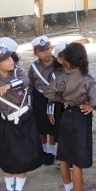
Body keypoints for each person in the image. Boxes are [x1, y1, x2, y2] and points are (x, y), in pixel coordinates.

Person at [0, 43, 42, 191]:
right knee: (7, 158)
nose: (10, 60)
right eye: (5, 59)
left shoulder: (18, 71)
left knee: (21, 158)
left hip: (23, 121)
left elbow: (25, 80)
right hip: (6, 124)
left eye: (9, 57)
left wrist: (9, 85)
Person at [44, 43, 96, 191]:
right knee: (77, 161)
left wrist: (62, 100)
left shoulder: (62, 77)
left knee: (64, 156)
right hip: (81, 118)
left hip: (66, 116)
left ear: (67, 63)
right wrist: (91, 106)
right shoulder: (88, 80)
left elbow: (48, 92)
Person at [28, 36, 60, 165]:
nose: (46, 52)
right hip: (39, 98)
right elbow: (30, 85)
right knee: (40, 127)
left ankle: (51, 152)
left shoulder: (58, 64)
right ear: (36, 53)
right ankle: (43, 151)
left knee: (52, 126)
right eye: (41, 50)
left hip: (54, 98)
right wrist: (29, 104)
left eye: (47, 48)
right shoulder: (34, 67)